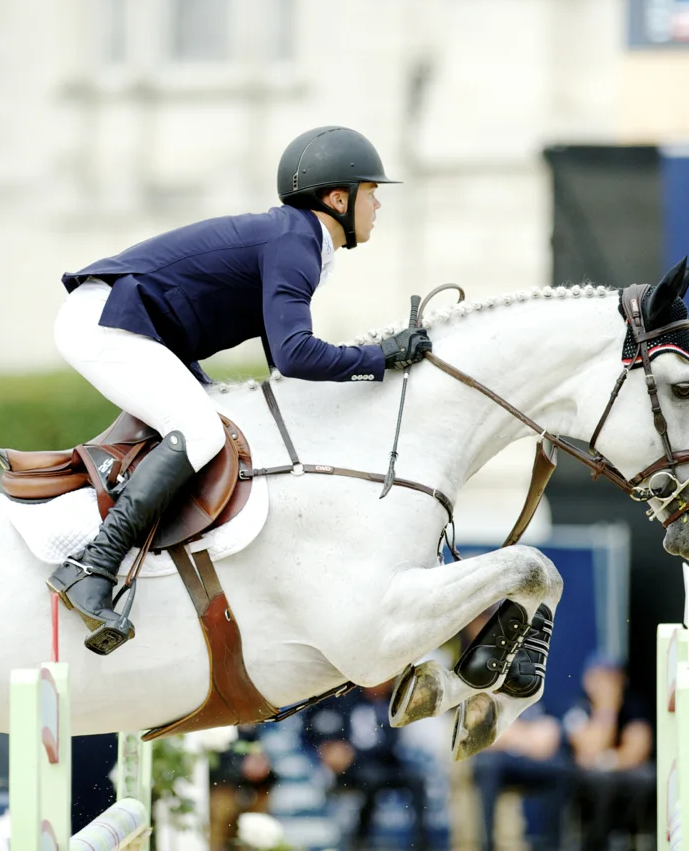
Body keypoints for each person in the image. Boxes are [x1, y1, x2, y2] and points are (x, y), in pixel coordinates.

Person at [45, 126, 433, 655]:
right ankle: (93, 564)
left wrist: (371, 371)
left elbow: (285, 367)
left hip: (136, 327)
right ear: (337, 199)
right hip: (108, 322)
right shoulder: (295, 242)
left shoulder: (300, 241)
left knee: (221, 420)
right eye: (371, 191)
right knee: (199, 432)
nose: (379, 203)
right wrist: (382, 356)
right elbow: (298, 354)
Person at [301, 682, 430, 849]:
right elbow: (320, 726)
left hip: (383, 762)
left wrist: (354, 752)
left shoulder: (391, 704)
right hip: (353, 767)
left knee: (416, 779)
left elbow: (390, 742)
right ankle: (361, 837)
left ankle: (421, 841)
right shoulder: (347, 701)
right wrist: (329, 747)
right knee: (371, 779)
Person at [563, 653, 654, 851]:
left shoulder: (634, 705)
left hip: (620, 769)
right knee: (601, 782)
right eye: (601, 677)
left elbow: (638, 749)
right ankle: (597, 842)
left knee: (644, 777)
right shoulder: (578, 707)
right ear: (588, 680)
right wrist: (607, 709)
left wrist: (609, 761)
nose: (608, 685)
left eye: (613, 678)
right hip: (586, 778)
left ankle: (626, 838)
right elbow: (589, 749)